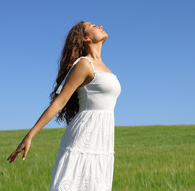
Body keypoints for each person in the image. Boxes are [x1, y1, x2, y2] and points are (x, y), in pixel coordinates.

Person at [6, 21, 122, 190]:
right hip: (84, 136)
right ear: (85, 38)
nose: (100, 26)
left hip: (102, 139)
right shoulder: (84, 64)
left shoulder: (106, 69)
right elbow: (59, 103)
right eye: (93, 26)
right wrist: (29, 136)